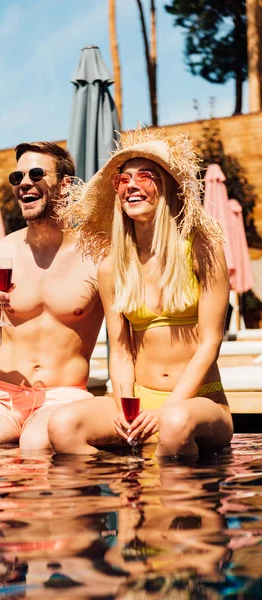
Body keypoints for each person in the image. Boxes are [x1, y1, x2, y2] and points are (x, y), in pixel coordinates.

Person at [48, 127, 233, 457]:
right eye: (122, 179)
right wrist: (126, 409)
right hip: (139, 400)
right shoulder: (112, 266)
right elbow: (120, 351)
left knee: (175, 423)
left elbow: (210, 342)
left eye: (144, 176)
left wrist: (166, 411)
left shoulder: (201, 249)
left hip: (199, 400)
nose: (130, 185)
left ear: (167, 187)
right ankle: (127, 494)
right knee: (63, 425)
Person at [0, 141, 104, 454]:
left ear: (64, 186)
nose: (24, 183)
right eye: (17, 178)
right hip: (0, 396)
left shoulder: (95, 255)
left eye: (37, 174)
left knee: (35, 446)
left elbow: (127, 339)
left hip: (63, 395)